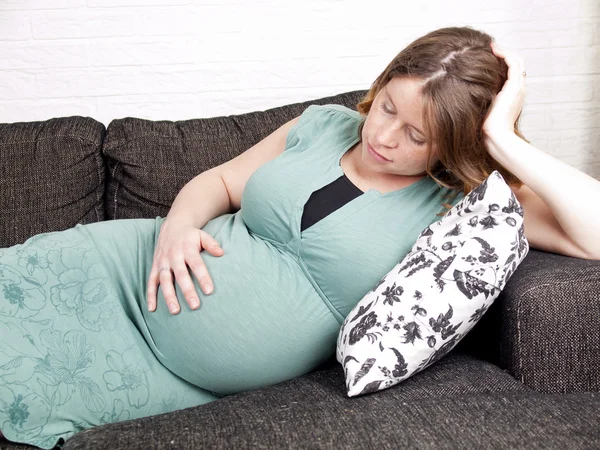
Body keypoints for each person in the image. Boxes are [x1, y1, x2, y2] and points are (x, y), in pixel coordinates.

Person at [1, 26, 599, 449]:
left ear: (456, 145)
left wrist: (504, 138)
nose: (385, 136)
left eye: (417, 135)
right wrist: (180, 229)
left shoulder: (463, 204)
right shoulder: (322, 124)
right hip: (118, 271)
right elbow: (218, 181)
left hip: (168, 374)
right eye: (388, 105)